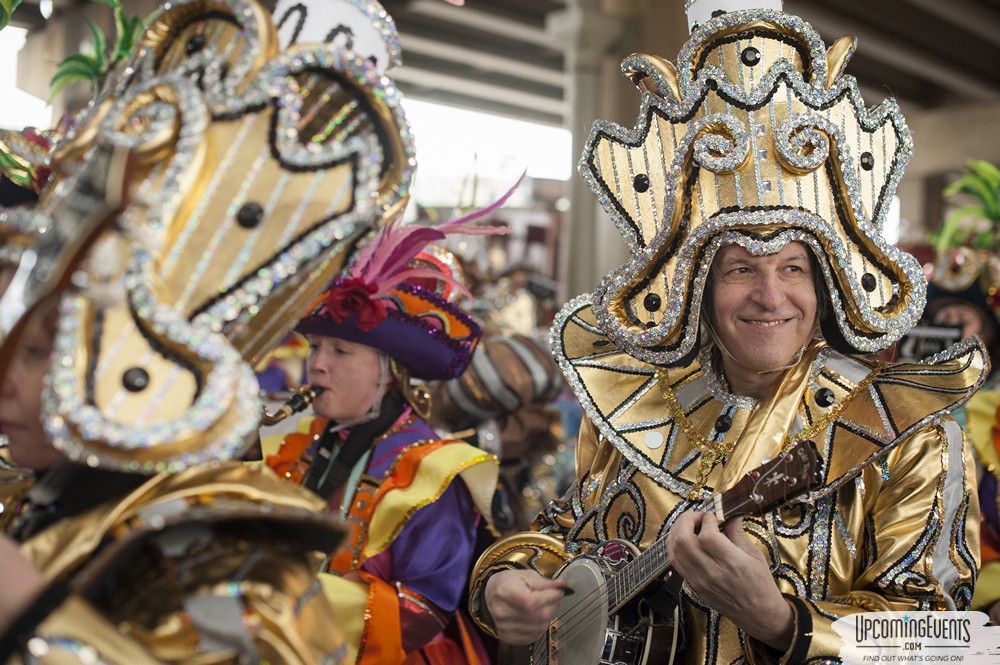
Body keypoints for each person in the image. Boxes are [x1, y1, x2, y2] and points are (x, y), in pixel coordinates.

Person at [469, 2, 984, 663]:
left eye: (793, 266)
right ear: (700, 286)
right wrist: (505, 578)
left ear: (825, 283)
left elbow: (947, 639)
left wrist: (782, 620)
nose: (771, 295)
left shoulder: (910, 433)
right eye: (741, 267)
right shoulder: (631, 406)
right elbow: (563, 531)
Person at [0, 0, 422, 661]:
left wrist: (28, 609)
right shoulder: (39, 493)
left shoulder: (234, 558)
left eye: (40, 348)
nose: (5, 380)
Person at [264, 213, 508, 664]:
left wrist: (281, 607)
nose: (316, 364)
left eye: (340, 351)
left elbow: (421, 612)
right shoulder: (302, 442)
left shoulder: (433, 470)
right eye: (315, 346)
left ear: (389, 374)